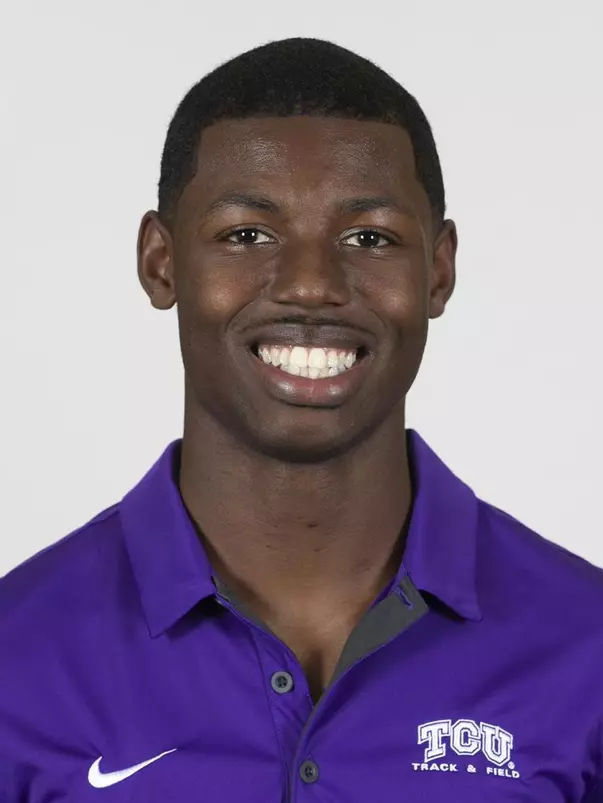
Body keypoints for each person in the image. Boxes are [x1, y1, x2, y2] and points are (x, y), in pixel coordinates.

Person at [1, 36, 602, 803]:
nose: (311, 285)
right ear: (160, 261)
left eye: (369, 238)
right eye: (247, 235)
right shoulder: (17, 657)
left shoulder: (585, 645)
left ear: (438, 270)